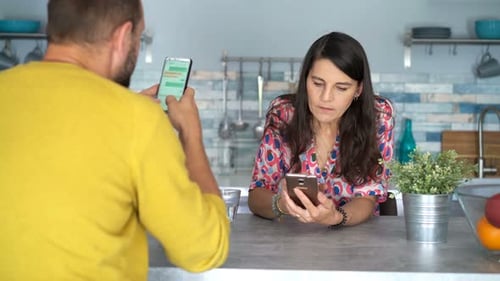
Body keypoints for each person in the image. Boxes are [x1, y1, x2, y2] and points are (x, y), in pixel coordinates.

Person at [0, 1, 230, 280]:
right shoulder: (138, 121)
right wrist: (191, 135)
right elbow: (203, 249)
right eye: (139, 37)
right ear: (123, 36)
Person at [248, 31, 394, 227]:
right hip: (291, 242)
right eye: (317, 83)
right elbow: (257, 195)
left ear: (358, 90)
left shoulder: (379, 116)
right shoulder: (283, 114)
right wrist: (281, 204)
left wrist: (336, 217)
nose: (326, 97)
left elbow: (368, 198)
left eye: (341, 88)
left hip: (357, 245)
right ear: (305, 79)